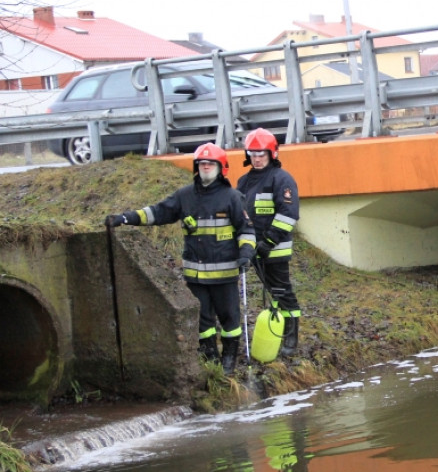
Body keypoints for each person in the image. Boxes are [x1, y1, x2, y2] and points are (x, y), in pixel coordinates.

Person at [105, 143, 256, 374]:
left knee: (230, 319)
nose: (205, 167)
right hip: (195, 275)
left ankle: (228, 359)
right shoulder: (184, 196)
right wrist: (126, 218)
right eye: (201, 163)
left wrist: (246, 253)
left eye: (209, 163)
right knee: (203, 321)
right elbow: (157, 212)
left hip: (225, 274)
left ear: (220, 167)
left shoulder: (233, 197)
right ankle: (210, 358)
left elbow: (246, 230)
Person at [236, 128, 302, 359]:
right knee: (273, 292)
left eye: (261, 153)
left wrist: (268, 242)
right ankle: (278, 331)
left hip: (275, 248)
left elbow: (288, 214)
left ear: (271, 153)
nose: (257, 158)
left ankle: (291, 339)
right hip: (254, 248)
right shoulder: (243, 182)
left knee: (283, 292)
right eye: (253, 153)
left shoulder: (281, 179)